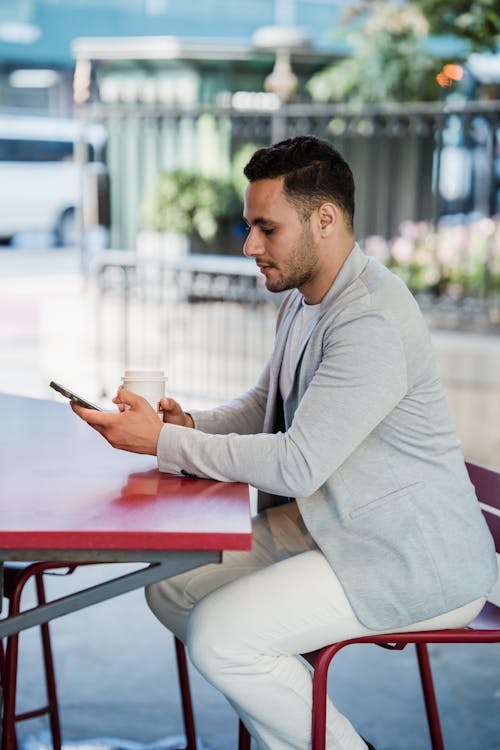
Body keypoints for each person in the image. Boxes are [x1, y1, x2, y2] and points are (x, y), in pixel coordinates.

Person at [72, 135, 498, 750]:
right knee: (173, 588)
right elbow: (260, 407)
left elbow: (295, 463)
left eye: (265, 228)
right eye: (250, 227)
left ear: (325, 219)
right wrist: (186, 427)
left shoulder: (369, 319)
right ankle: (304, 728)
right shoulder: (307, 302)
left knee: (225, 636)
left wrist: (162, 442)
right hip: (338, 527)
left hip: (409, 560)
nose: (249, 246)